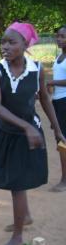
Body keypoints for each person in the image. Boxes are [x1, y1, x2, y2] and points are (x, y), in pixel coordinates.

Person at [0, 22, 65, 245]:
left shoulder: (37, 69)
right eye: (3, 41)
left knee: (18, 185)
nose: (5, 46)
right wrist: (25, 126)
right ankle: (26, 216)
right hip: (7, 133)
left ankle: (19, 236)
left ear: (25, 45)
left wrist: (57, 128)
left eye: (12, 42)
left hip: (28, 136)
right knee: (12, 182)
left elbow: (44, 99)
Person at [47, 25, 66, 192]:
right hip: (58, 101)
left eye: (63, 36)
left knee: (62, 141)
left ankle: (64, 181)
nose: (59, 39)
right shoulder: (59, 57)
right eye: (58, 36)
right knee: (60, 140)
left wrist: (52, 83)